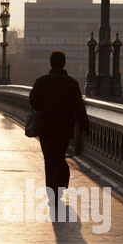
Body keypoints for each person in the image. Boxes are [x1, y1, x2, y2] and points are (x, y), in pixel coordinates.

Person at [29, 50, 89, 204]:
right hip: (64, 128)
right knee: (60, 157)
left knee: (49, 159)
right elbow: (79, 107)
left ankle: (52, 192)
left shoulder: (41, 81)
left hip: (46, 127)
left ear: (50, 63)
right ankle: (61, 188)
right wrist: (84, 126)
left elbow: (33, 101)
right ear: (64, 64)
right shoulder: (72, 83)